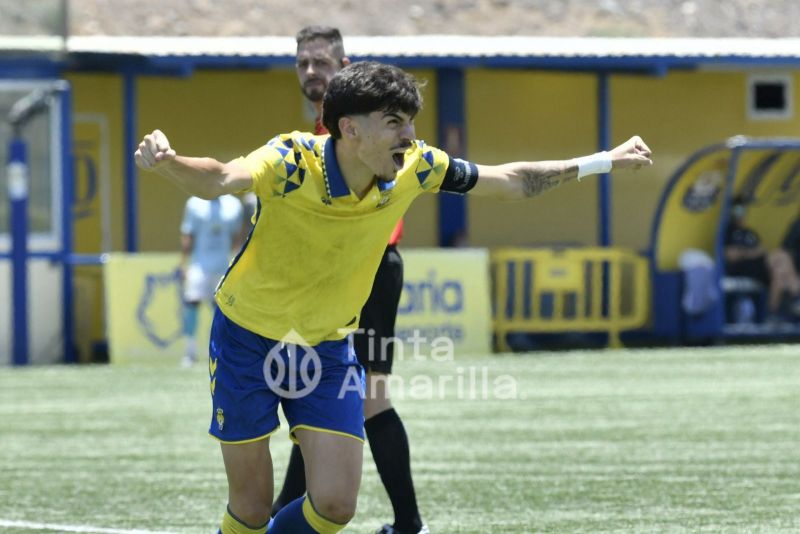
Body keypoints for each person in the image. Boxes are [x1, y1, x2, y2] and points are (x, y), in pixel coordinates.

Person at [134, 60, 652, 534]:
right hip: (245, 339)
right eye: (395, 122)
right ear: (349, 128)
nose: (410, 135)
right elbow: (222, 177)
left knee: (336, 505)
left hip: (327, 347)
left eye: (410, 121)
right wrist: (168, 160)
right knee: (249, 508)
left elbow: (511, 181)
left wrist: (603, 161)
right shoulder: (292, 160)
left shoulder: (416, 166)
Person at [269, 26, 424, 534]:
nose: (312, 72)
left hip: (371, 269)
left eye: (321, 62)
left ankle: (408, 524)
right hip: (334, 275)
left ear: (345, 65)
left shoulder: (360, 129)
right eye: (303, 64)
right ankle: (288, 513)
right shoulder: (324, 133)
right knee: (315, 392)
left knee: (367, 397)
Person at [179, 195, 243, 367]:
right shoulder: (194, 203)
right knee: (192, 304)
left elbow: (236, 237)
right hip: (199, 266)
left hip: (223, 266)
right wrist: (183, 264)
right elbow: (188, 235)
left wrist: (235, 263)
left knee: (222, 311)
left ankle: (219, 351)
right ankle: (190, 351)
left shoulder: (234, 205)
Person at [723, 196, 800, 322]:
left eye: (743, 210)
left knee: (778, 275)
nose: (741, 214)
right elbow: (730, 255)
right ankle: (796, 295)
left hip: (762, 268)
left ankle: (772, 315)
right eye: (737, 210)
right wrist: (750, 253)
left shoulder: (750, 233)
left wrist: (750, 252)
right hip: (744, 268)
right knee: (780, 255)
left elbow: (762, 249)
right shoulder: (729, 230)